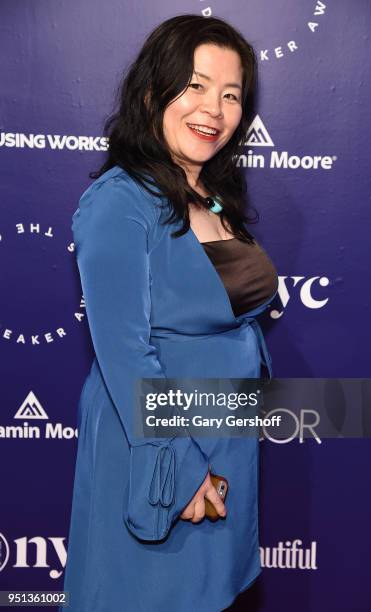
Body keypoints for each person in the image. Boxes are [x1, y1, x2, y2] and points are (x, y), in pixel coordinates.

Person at [61, 14, 279, 612]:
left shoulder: (212, 193)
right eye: (195, 85)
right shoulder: (119, 202)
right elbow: (126, 353)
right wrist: (183, 472)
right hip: (159, 457)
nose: (214, 108)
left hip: (223, 445)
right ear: (154, 90)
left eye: (231, 95)